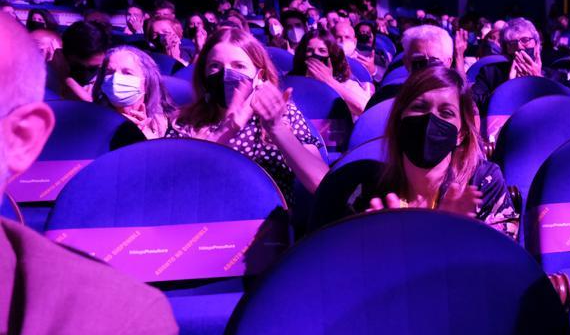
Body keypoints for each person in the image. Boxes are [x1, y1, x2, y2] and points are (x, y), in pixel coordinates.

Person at [0, 14, 178, 335]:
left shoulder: (103, 327)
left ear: (20, 140)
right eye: (108, 72)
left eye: (128, 73)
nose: (116, 81)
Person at [168, 27, 328, 204]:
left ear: (259, 76)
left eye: (239, 66)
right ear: (204, 76)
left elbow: (322, 183)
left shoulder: (282, 113)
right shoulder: (186, 121)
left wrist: (277, 129)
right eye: (215, 66)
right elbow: (172, 187)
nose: (226, 74)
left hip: (267, 224)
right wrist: (227, 129)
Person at [358, 66, 517, 238]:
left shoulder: (481, 182)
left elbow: (502, 259)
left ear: (461, 134)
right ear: (399, 121)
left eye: (446, 113)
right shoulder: (371, 187)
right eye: (419, 107)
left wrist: (447, 234)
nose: (430, 119)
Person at [92, 46, 176, 139]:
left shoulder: (169, 123)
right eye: (109, 72)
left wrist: (143, 135)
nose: (115, 78)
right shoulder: (93, 120)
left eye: (127, 73)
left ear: (146, 81)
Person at [290, 31, 373, 117]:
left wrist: (329, 80)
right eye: (309, 50)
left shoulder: (346, 85)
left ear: (332, 57)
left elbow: (365, 109)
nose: (315, 55)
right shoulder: (292, 84)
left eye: (322, 51)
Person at [470, 18, 548, 108]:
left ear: (537, 45)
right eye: (512, 43)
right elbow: (473, 103)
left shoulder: (555, 76)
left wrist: (539, 80)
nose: (519, 47)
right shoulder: (490, 73)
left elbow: (562, 106)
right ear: (505, 49)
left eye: (525, 40)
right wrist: (508, 86)